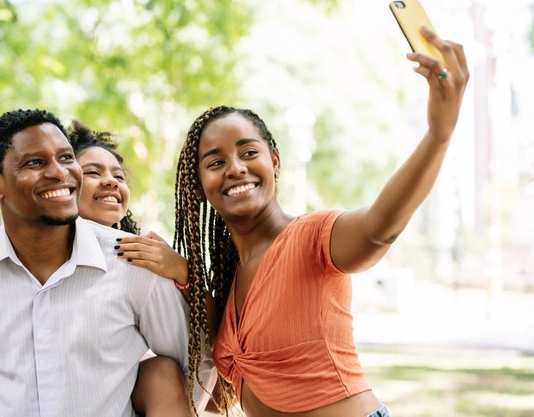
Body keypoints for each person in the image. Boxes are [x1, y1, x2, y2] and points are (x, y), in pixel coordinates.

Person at [170, 27, 469, 416]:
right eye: (216, 162)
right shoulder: (231, 278)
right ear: (200, 184)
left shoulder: (312, 236)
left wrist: (438, 136)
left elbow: (381, 227)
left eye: (248, 152)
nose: (235, 168)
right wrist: (183, 272)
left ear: (274, 161)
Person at [0, 109, 209, 417]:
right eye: (35, 163)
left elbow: (194, 364)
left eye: (66, 158)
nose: (59, 172)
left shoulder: (132, 264)